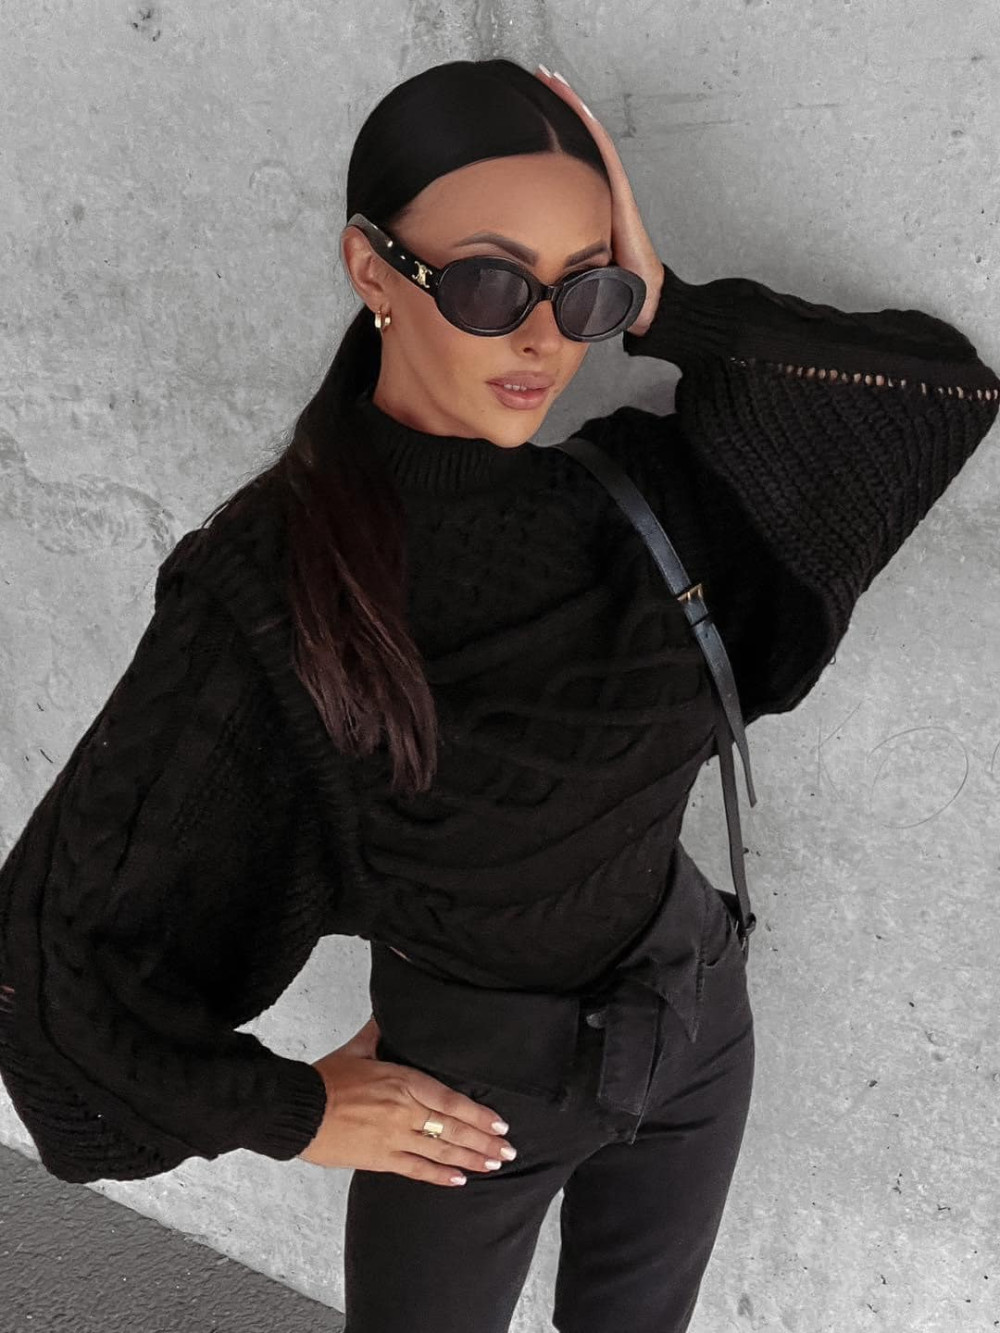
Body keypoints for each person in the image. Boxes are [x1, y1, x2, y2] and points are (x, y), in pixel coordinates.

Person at [1, 56, 997, 1333]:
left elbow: (937, 398)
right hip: (469, 1097)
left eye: (584, 288)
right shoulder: (279, 585)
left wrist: (670, 308)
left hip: (697, 1022)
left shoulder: (633, 495)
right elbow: (46, 966)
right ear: (371, 271)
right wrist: (294, 1112)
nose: (546, 340)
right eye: (489, 282)